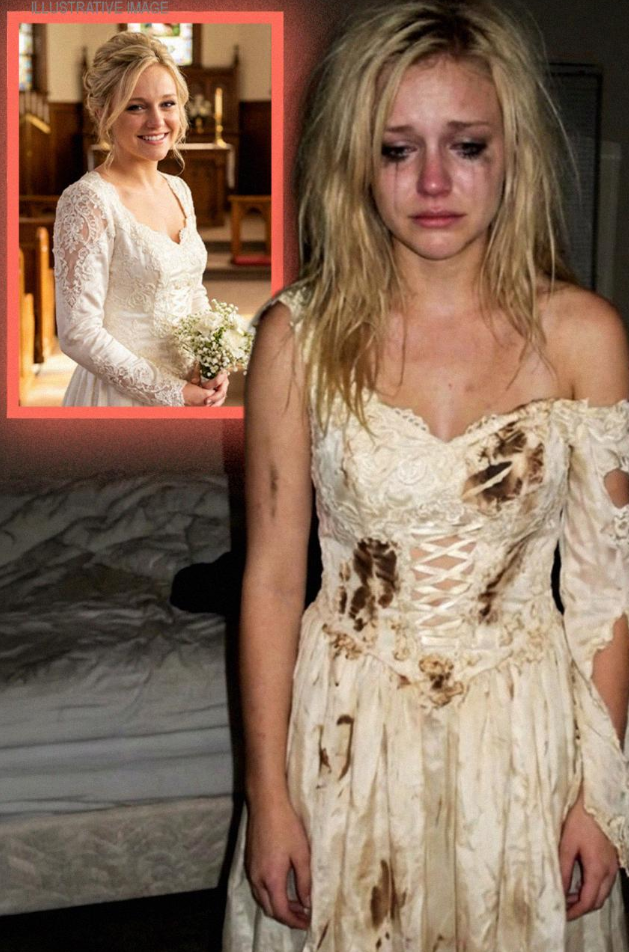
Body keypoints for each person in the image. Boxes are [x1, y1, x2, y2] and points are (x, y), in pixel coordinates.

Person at [223, 1, 629, 949]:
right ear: (355, 164)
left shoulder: (584, 337)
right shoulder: (295, 338)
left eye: (467, 145)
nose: (434, 181)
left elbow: (608, 593)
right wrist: (268, 797)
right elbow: (273, 580)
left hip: (523, 743)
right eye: (397, 150)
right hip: (345, 738)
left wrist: (600, 797)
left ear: (512, 152)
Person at [53, 31, 229, 407]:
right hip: (118, 399)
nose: (157, 121)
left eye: (167, 104)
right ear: (103, 112)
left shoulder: (179, 189)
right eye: (136, 107)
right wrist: (171, 392)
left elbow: (191, 291)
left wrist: (212, 361)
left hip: (190, 392)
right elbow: (78, 332)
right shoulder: (88, 201)